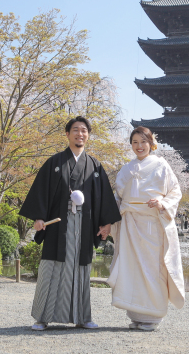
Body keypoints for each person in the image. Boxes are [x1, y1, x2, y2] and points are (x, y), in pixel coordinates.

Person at [19, 116, 122, 331]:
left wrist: (105, 224)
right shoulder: (54, 163)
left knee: (81, 268)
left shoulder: (95, 165)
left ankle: (82, 317)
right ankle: (42, 317)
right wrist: (39, 217)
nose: (80, 134)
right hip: (58, 224)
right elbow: (41, 192)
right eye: (75, 130)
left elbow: (103, 197)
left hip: (84, 225)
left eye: (84, 130)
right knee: (52, 267)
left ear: (88, 135)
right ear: (67, 134)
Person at [108, 126, 185, 331]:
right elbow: (118, 198)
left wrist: (162, 202)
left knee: (153, 268)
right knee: (131, 267)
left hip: (152, 223)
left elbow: (175, 192)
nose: (139, 146)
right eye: (135, 142)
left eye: (143, 142)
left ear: (151, 143)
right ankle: (136, 314)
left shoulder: (162, 165)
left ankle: (153, 315)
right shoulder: (126, 168)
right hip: (130, 223)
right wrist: (108, 221)